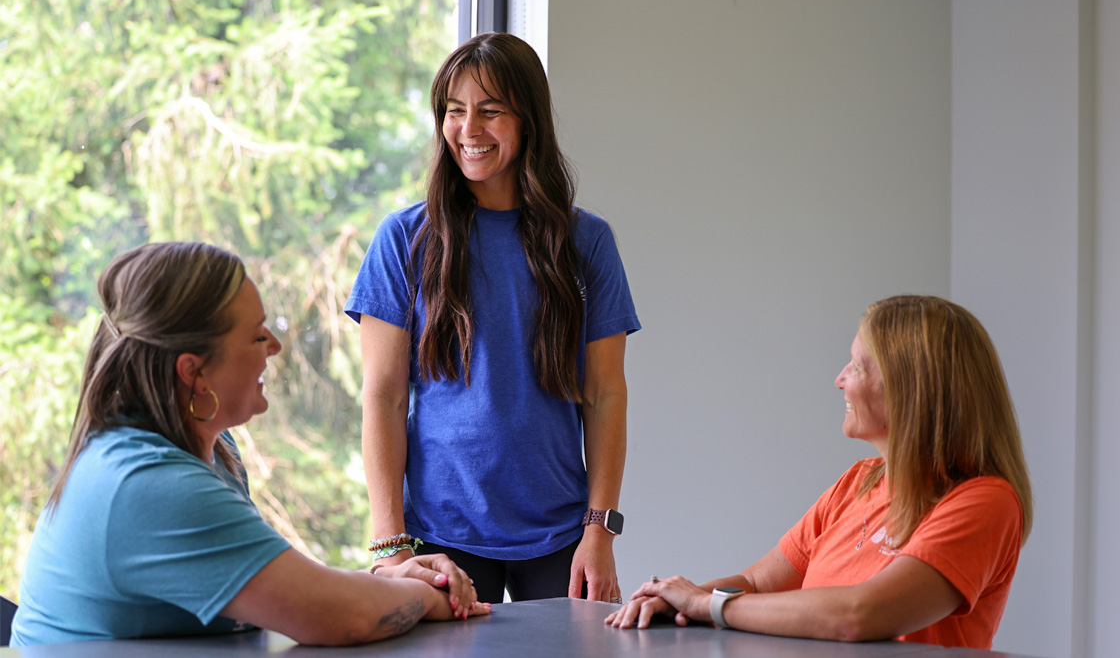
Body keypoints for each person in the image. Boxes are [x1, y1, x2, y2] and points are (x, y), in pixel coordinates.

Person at [11, 242, 489, 647]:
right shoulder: (148, 485)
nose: (274, 348)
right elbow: (337, 615)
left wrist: (386, 580)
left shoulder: (214, 451)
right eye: (257, 335)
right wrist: (427, 596)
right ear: (194, 373)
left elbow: (283, 590)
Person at [345, 32, 640, 605]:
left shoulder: (587, 242)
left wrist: (600, 530)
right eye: (455, 111)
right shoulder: (403, 239)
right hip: (437, 536)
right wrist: (389, 547)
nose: (468, 130)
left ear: (528, 120)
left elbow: (606, 394)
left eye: (490, 111)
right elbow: (381, 396)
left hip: (561, 535)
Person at [606, 295, 1033, 650]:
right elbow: (757, 581)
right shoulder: (858, 481)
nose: (839, 379)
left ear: (911, 390)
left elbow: (859, 615)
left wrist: (708, 606)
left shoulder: (986, 501)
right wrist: (676, 602)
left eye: (858, 366)